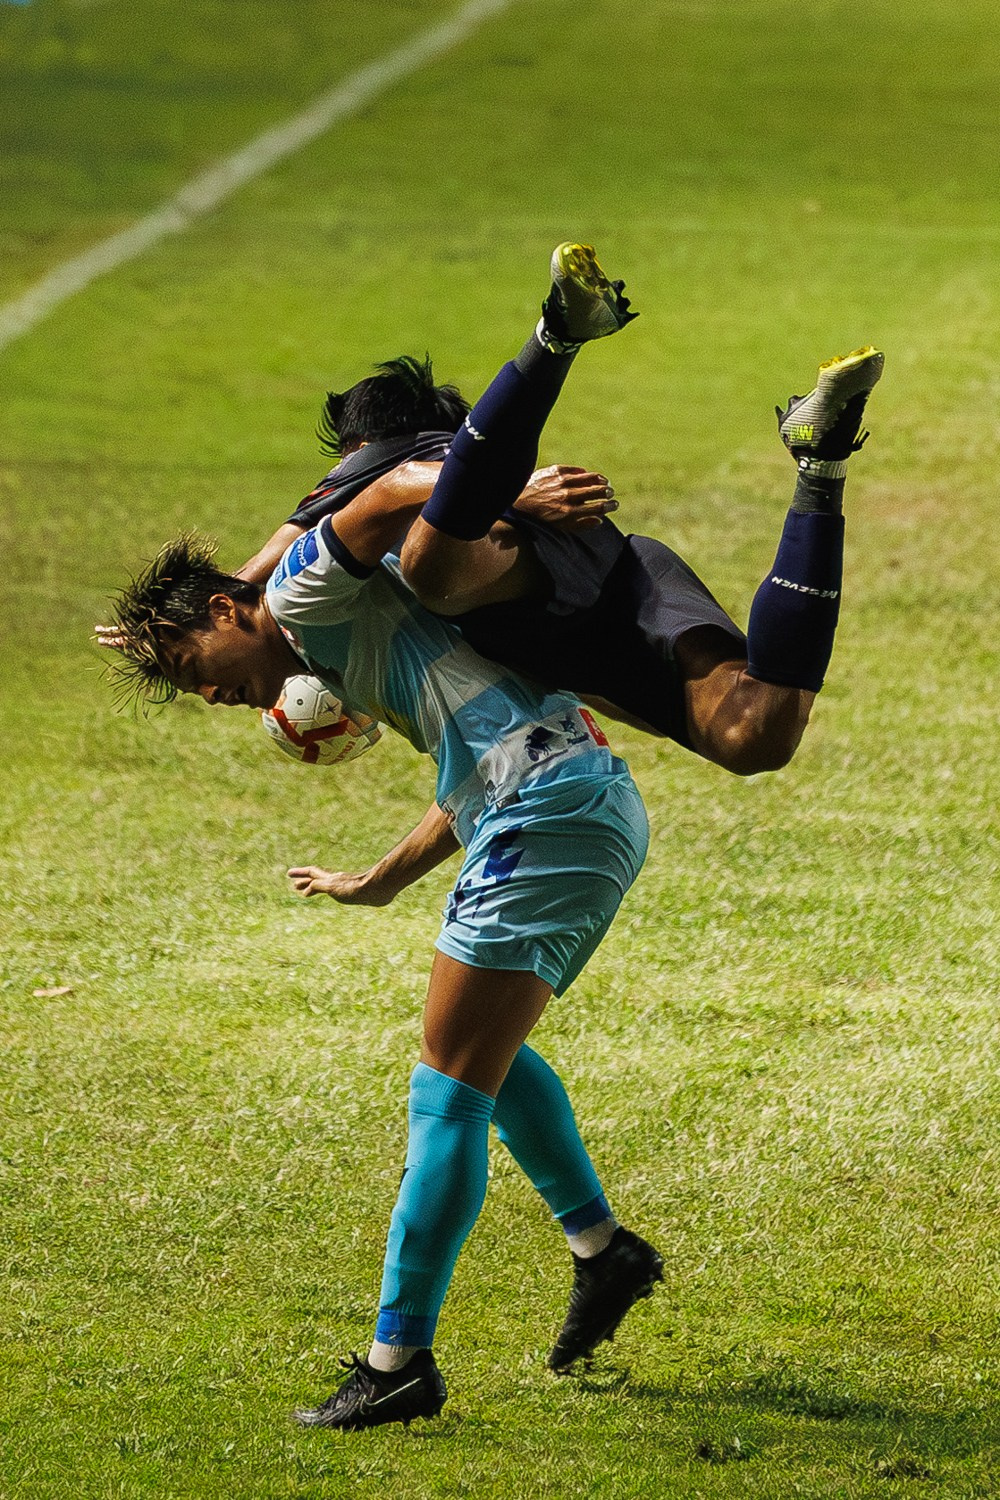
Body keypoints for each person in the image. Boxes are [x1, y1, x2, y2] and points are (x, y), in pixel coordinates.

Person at [105, 244, 665, 1431]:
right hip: (560, 800)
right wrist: (381, 879)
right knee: (484, 1057)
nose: (206, 696)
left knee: (444, 1091)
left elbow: (373, 498)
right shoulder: (353, 627)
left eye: (190, 668)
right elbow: (473, 765)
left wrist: (506, 496)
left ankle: (398, 1362)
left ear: (221, 611)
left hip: (553, 812)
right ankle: (600, 1247)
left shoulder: (304, 598)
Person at [235, 333, 883, 779]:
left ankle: (552, 338)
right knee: (754, 736)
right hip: (619, 585)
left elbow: (256, 572)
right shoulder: (445, 445)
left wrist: (165, 623)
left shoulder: (369, 461)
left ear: (358, 439)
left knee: (429, 573)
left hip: (526, 570)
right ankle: (820, 463)